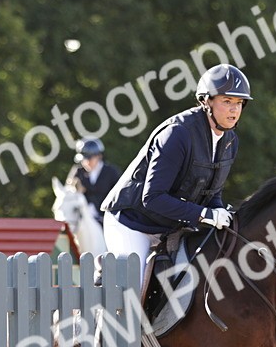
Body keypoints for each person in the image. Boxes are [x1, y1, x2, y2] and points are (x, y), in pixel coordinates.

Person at [100, 63, 251, 264]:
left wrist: (219, 213)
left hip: (171, 226)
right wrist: (205, 214)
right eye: (227, 101)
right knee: (133, 289)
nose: (234, 109)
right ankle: (106, 273)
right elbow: (153, 198)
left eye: (240, 102)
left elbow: (212, 192)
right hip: (132, 222)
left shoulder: (230, 140)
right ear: (207, 101)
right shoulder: (178, 134)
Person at [66, 137, 121, 222]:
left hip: (106, 219)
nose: (86, 162)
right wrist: (76, 190)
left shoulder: (111, 172)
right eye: (84, 159)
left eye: (90, 158)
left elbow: (118, 197)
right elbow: (68, 193)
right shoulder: (78, 171)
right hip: (82, 219)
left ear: (99, 156)